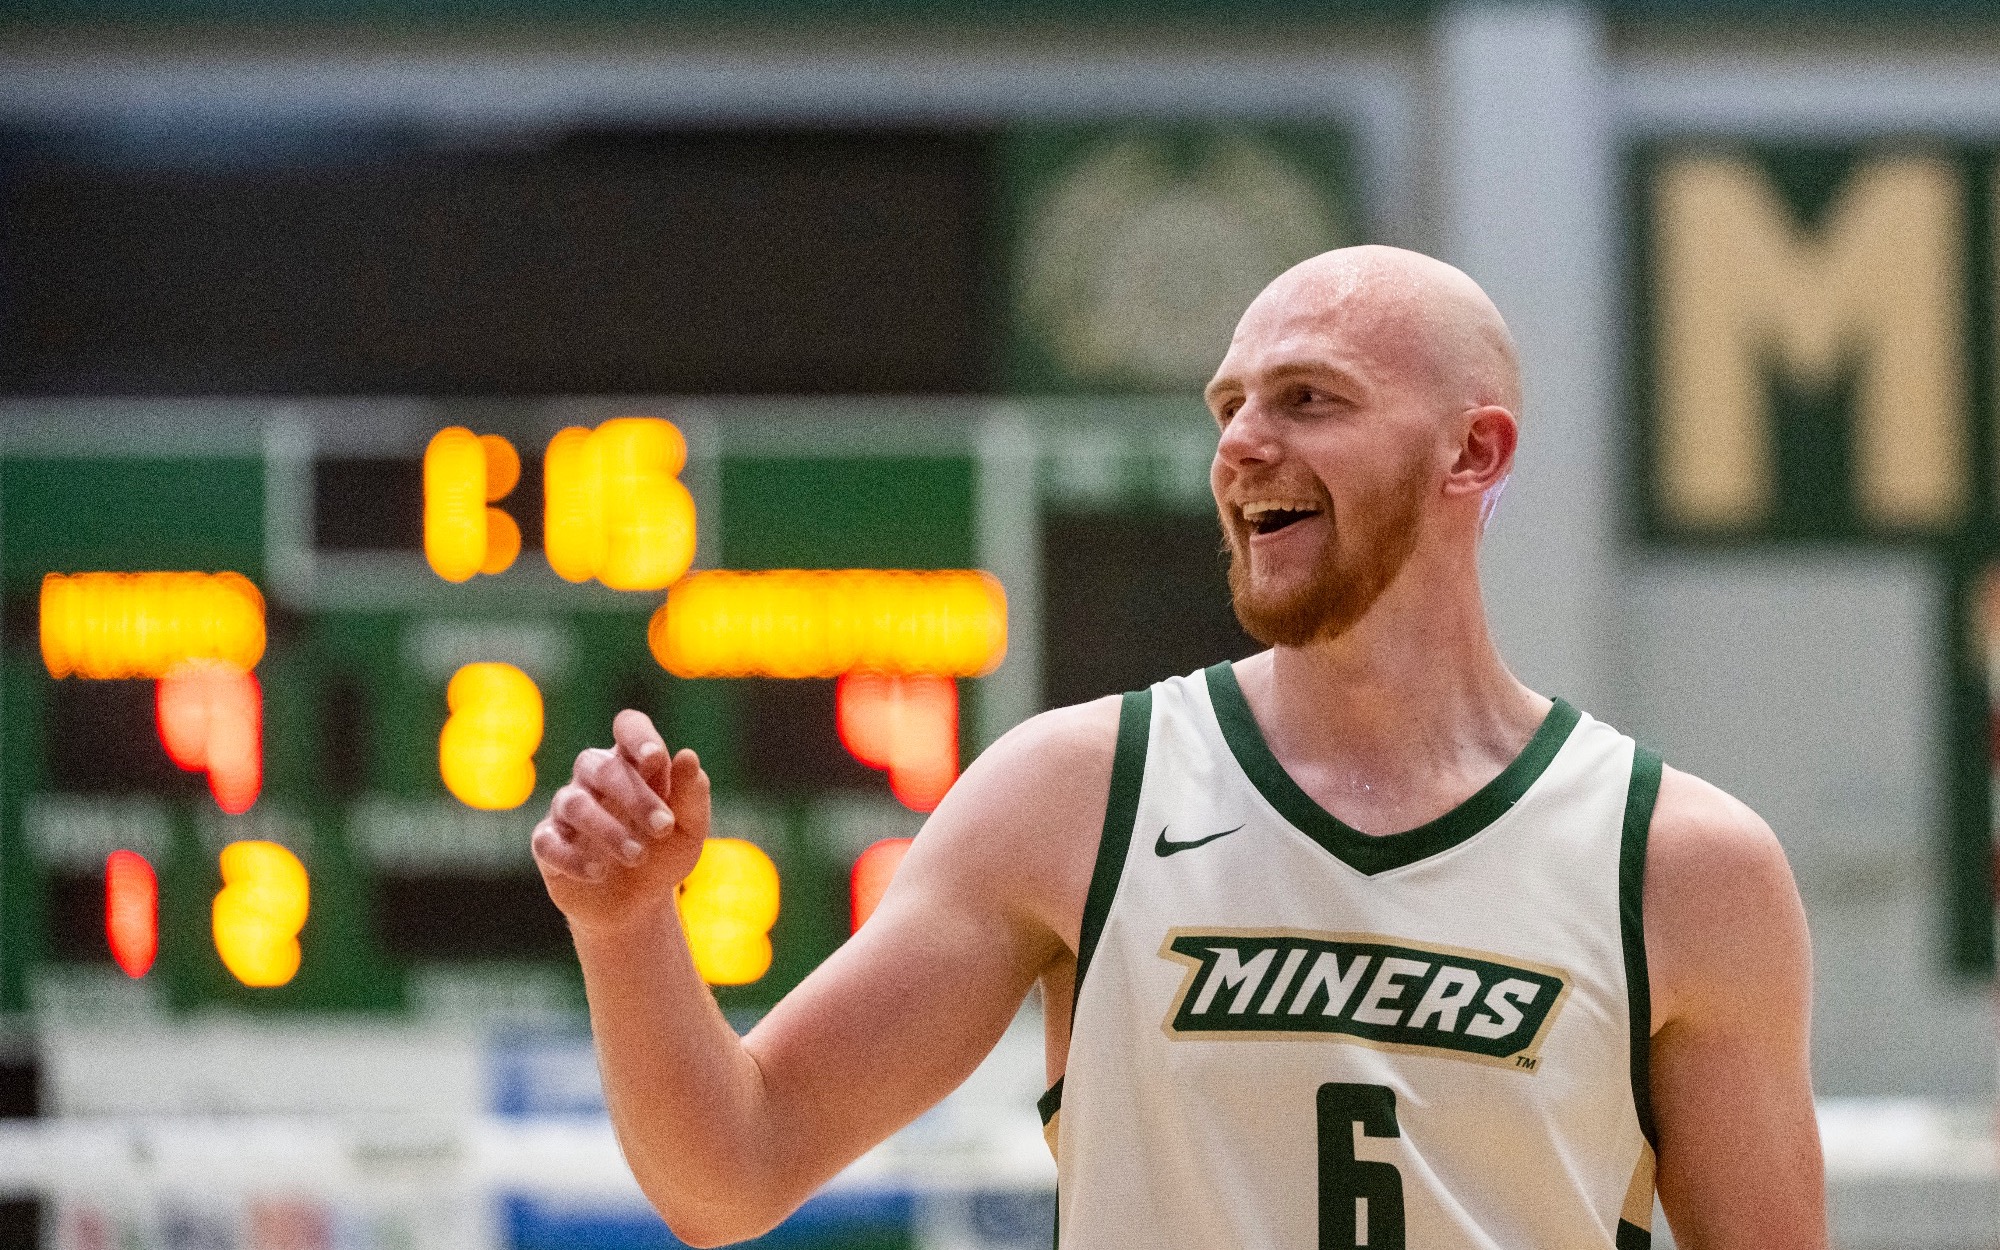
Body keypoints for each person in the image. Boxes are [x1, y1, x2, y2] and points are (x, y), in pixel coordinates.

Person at [531, 245, 1826, 1249]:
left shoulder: (1682, 864)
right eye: (1230, 404)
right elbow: (734, 1167)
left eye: (1310, 398)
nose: (1243, 442)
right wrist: (626, 925)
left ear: (1472, 451)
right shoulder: (1074, 795)